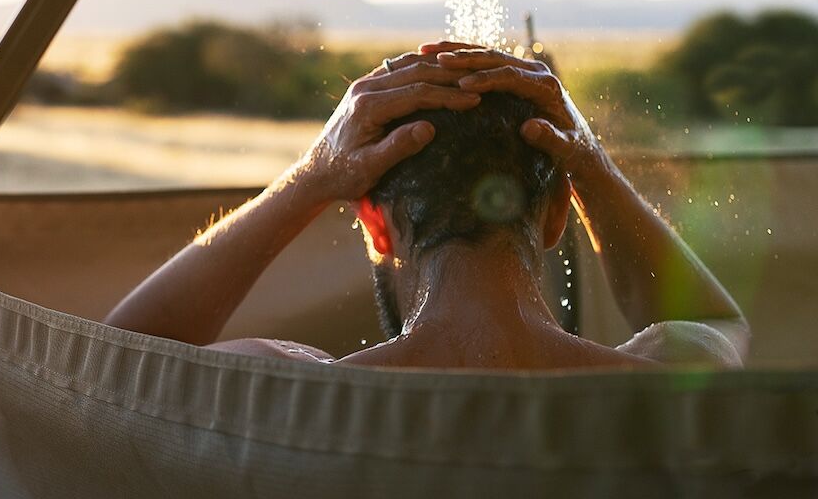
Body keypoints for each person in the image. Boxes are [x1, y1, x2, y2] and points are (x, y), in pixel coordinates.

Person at [104, 43, 749, 369]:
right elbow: (718, 321)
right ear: (557, 214)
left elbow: (109, 362)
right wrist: (589, 163)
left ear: (376, 227)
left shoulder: (290, 394)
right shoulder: (666, 395)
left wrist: (311, 179)